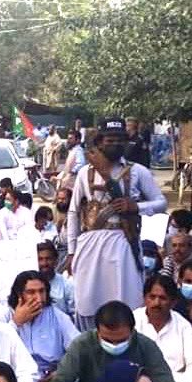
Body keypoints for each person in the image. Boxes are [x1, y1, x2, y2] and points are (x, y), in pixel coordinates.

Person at [66, 118, 167, 328]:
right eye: (110, 139)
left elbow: (161, 202)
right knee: (87, 303)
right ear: (100, 142)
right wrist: (71, 251)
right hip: (91, 244)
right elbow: (74, 212)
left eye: (120, 139)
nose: (115, 144)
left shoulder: (138, 171)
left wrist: (136, 207)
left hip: (124, 242)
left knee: (126, 302)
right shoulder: (86, 172)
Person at [48, 300, 184, 382]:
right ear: (97, 331)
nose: (114, 345)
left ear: (132, 332)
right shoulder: (82, 344)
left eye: (120, 341)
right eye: (107, 340)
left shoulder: (145, 346)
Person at [0, 272, 79, 382]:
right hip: (17, 379)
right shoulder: (6, 316)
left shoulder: (57, 316)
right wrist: (16, 323)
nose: (39, 298)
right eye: (31, 292)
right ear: (19, 294)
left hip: (52, 380)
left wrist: (61, 372)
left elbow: (78, 349)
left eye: (42, 291)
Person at [133, 274, 192, 382]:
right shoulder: (133, 321)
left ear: (173, 302)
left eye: (162, 298)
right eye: (152, 297)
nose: (156, 303)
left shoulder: (183, 325)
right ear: (145, 299)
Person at [36, 241, 75, 318]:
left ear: (56, 261)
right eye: (40, 259)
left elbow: (74, 315)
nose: (44, 263)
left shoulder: (67, 285)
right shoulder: (28, 285)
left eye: (48, 259)